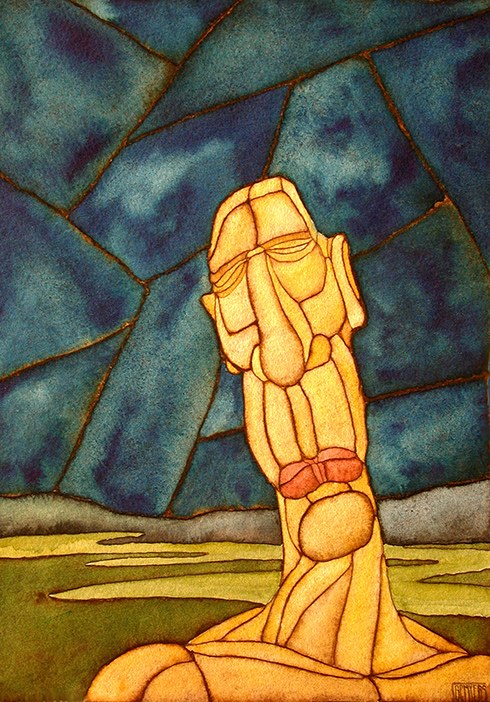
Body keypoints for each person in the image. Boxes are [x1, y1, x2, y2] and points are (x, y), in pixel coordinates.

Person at [87, 177, 489, 701]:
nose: (281, 346)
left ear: (342, 276)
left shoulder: (467, 683)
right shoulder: (167, 679)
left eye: (292, 254)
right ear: (220, 326)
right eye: (235, 281)